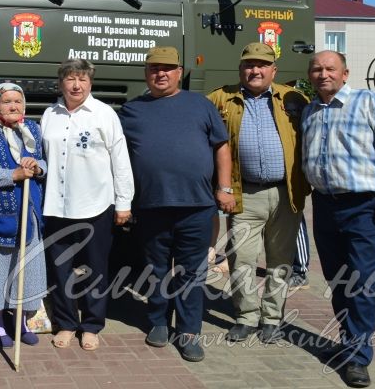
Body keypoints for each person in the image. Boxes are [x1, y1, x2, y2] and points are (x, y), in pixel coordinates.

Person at [302, 51, 375, 388]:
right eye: (317, 69)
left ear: (345, 73)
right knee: (338, 281)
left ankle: (358, 358)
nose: (323, 74)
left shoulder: (370, 103)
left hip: (364, 207)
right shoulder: (309, 111)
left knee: (361, 283)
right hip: (324, 205)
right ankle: (350, 341)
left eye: (330, 69)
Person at [118, 46, 230, 363]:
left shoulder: (200, 104)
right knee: (155, 269)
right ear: (146, 73)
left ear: (180, 72)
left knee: (191, 272)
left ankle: (189, 331)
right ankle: (157, 321)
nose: (161, 74)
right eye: (154, 68)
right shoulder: (131, 111)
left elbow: (221, 146)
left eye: (168, 68)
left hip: (197, 206)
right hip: (152, 206)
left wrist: (224, 187)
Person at [206, 42, 309, 344]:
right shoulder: (220, 99)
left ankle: (273, 319)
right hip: (244, 194)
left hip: (285, 193)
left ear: (273, 71)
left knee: (280, 261)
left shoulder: (293, 99)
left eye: (262, 65)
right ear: (240, 69)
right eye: (249, 65)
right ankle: (246, 317)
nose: (255, 70)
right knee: (242, 259)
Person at [40, 59, 134, 351]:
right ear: (61, 84)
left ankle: (92, 325)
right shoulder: (49, 115)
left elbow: (120, 160)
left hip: (96, 205)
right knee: (60, 269)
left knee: (95, 269)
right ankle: (67, 323)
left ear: (90, 83)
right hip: (57, 206)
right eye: (70, 79)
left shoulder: (104, 114)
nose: (76, 85)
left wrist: (124, 203)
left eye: (82, 79)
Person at [0, 83, 47, 348]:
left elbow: (45, 163)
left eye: (18, 101)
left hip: (30, 212)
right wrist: (12, 175)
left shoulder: (33, 130)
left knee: (26, 268)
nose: (14, 106)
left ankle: (21, 322)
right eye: (7, 102)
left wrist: (36, 167)